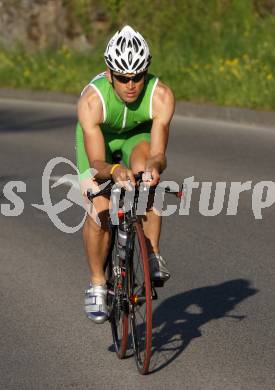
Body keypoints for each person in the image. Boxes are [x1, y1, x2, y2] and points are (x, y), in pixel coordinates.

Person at [76, 25, 175, 324]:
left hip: (137, 138)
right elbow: (96, 161)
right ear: (110, 74)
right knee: (100, 212)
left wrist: (154, 169)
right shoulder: (92, 101)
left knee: (147, 181)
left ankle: (152, 254)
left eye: (137, 76)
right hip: (99, 145)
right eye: (122, 78)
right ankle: (96, 283)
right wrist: (116, 170)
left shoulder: (161, 96)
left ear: (147, 72)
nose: (130, 84)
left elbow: (158, 154)